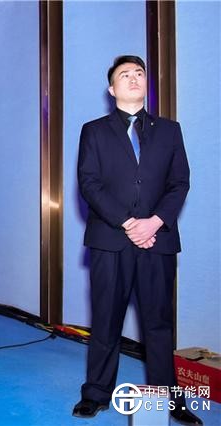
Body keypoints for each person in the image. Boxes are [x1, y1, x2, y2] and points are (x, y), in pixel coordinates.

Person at [73, 55, 201, 425]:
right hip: (110, 239)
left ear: (147, 84)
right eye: (124, 74)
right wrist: (130, 223)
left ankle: (169, 399)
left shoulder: (170, 131)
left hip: (158, 241)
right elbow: (89, 183)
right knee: (105, 320)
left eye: (139, 73)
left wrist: (154, 223)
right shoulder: (94, 131)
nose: (133, 78)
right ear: (112, 89)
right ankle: (96, 394)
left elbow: (179, 183)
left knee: (159, 324)